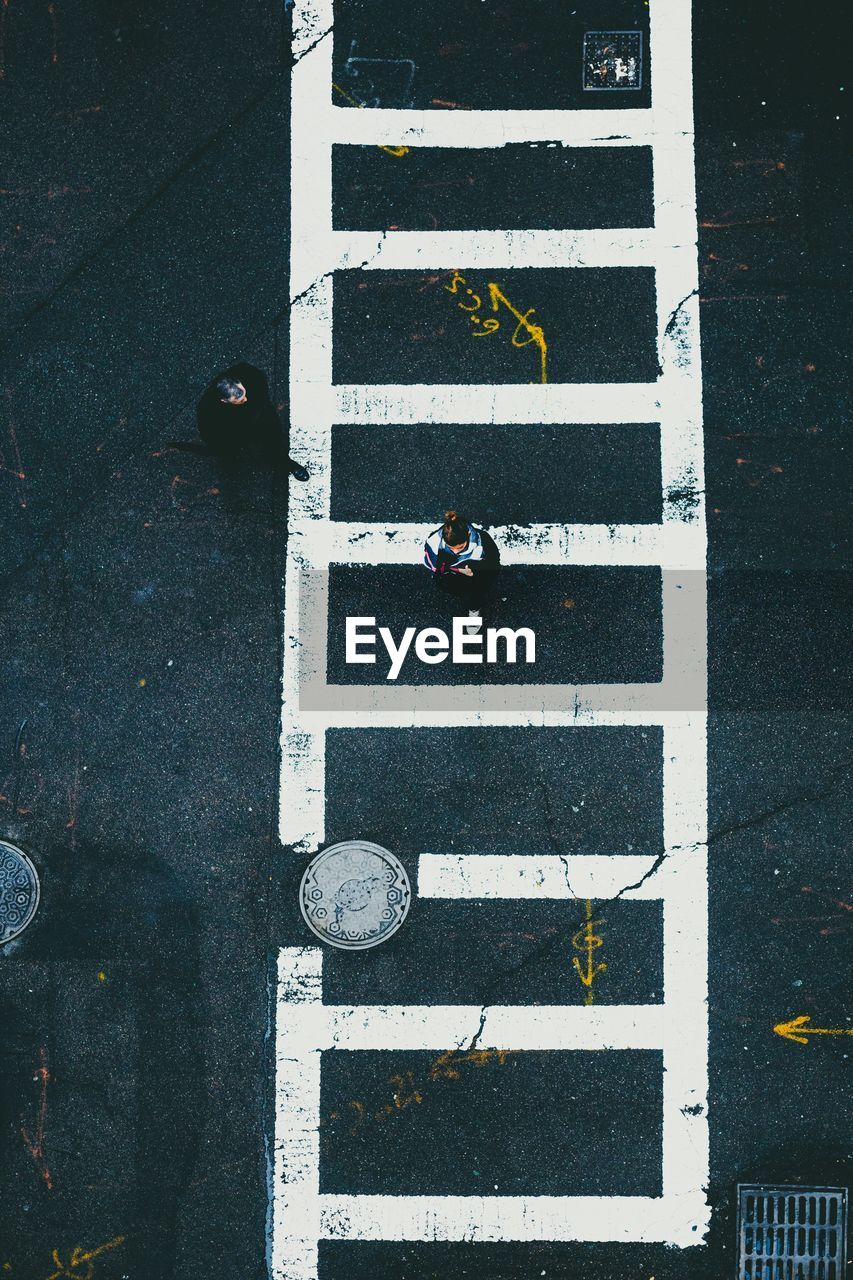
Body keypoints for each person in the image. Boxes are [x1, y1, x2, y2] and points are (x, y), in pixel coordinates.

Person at [196, 362, 309, 480]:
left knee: (273, 441)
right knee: (232, 452)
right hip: (237, 430)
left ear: (239, 382)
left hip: (262, 416)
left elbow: (262, 388)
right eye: (239, 400)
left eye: (244, 394)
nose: (245, 399)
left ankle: (285, 463)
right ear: (224, 401)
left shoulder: (249, 374)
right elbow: (211, 435)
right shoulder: (208, 410)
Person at [423, 510, 500, 619]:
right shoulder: (433, 544)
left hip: (476, 574)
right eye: (451, 548)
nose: (455, 552)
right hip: (450, 577)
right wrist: (459, 570)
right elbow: (437, 569)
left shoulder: (483, 542)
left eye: (459, 547)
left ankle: (474, 609)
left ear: (468, 534)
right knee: (455, 588)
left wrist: (479, 571)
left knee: (476, 594)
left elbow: (493, 563)